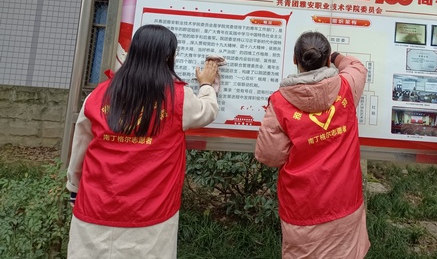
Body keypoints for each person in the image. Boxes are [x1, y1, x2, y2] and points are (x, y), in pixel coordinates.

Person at [66, 24, 221, 259]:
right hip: (150, 215)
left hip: (95, 208)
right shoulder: (178, 97)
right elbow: (207, 111)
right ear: (168, 56)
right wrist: (207, 85)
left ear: (134, 51)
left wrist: (74, 188)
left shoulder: (98, 95)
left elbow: (80, 148)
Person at [255, 31, 370, 259]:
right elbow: (356, 66)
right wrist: (335, 56)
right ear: (326, 61)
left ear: (295, 60)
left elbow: (269, 156)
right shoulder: (347, 87)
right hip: (345, 202)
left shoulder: (280, 103)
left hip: (302, 208)